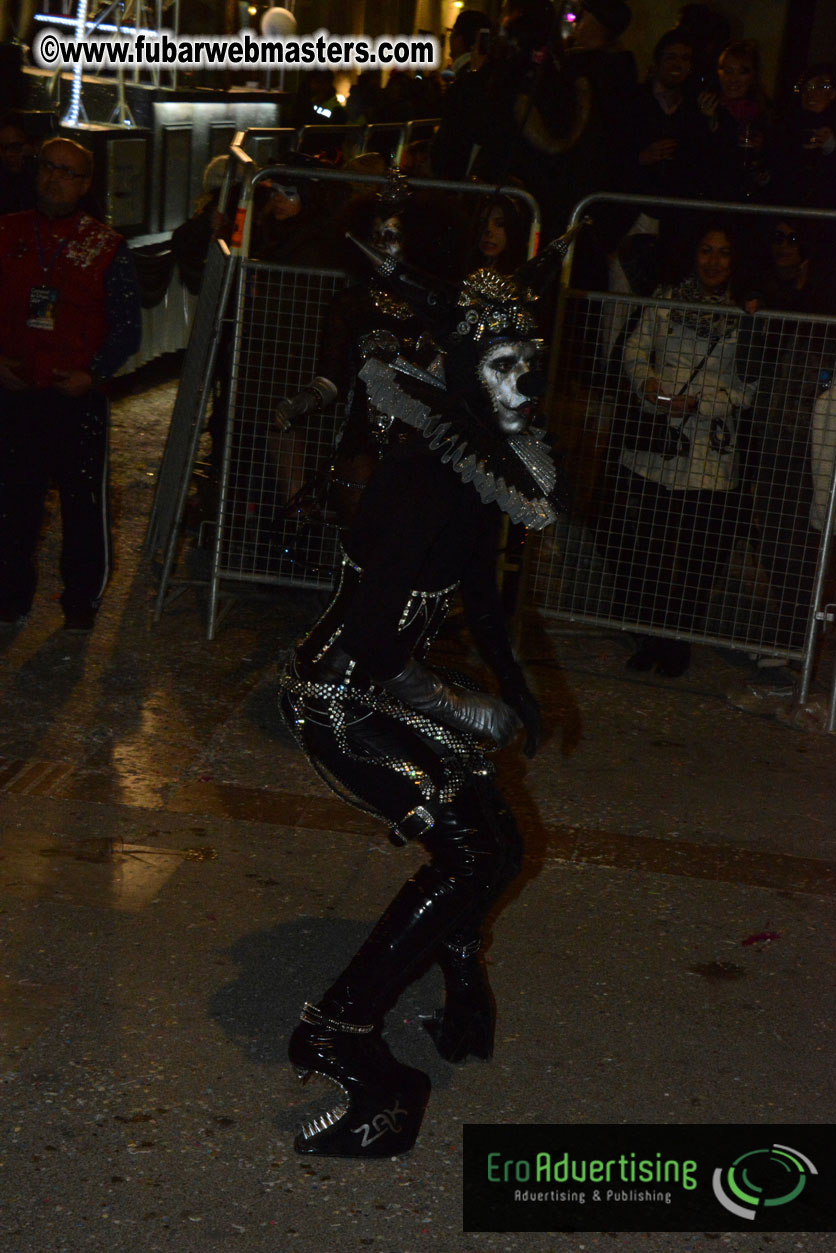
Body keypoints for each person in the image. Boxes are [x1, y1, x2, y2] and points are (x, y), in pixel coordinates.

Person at [279, 261, 566, 1157]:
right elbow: (368, 638)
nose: (522, 381)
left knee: (491, 843)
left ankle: (457, 981)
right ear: (465, 361)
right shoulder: (422, 471)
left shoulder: (473, 462)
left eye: (530, 362)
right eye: (503, 363)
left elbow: (478, 587)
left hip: (385, 682)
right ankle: (341, 1040)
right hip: (340, 697)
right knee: (480, 848)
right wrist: (455, 703)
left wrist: (512, 680)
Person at [597, 221, 757, 676]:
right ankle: (649, 634)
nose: (713, 262)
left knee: (697, 558)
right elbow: (634, 349)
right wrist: (648, 384)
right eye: (706, 250)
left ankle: (678, 641)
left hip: (709, 451)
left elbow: (750, 388)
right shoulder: (667, 299)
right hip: (655, 443)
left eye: (723, 253)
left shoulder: (747, 313)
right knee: (639, 546)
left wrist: (703, 403)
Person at [0, 137, 141, 630]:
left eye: (66, 172)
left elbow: (127, 328)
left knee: (83, 503)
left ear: (84, 184)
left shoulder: (105, 247)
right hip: (15, 394)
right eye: (47, 168)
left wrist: (94, 373)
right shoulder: (7, 232)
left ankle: (81, 600)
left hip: (76, 399)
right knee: (13, 499)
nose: (53, 178)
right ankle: (9, 595)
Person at [697, 40, 773, 202]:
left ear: (753, 75)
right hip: (712, 201)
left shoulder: (766, 114)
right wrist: (712, 124)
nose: (733, 79)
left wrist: (762, 158)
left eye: (742, 72)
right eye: (728, 71)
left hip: (750, 204)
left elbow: (778, 165)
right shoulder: (706, 107)